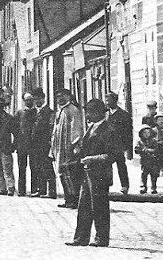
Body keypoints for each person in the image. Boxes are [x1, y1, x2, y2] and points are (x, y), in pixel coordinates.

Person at [65, 98, 122, 248]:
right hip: (87, 174)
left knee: (100, 207)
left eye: (89, 112)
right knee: (83, 206)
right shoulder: (91, 128)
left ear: (97, 113)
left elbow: (112, 155)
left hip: (100, 175)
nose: (87, 116)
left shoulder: (109, 130)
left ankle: (101, 238)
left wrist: (92, 159)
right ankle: (81, 238)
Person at [51, 89, 84, 208]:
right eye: (57, 97)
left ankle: (74, 200)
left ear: (68, 96)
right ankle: (68, 199)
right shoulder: (60, 110)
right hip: (59, 148)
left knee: (70, 174)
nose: (59, 99)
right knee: (62, 174)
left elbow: (77, 129)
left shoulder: (73, 110)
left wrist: (75, 145)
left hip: (68, 148)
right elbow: (55, 130)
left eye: (62, 96)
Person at [30, 88, 56, 199]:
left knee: (48, 168)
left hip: (45, 144)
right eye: (35, 99)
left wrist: (50, 143)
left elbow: (51, 128)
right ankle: (42, 190)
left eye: (38, 99)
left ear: (43, 98)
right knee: (38, 168)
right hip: (36, 145)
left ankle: (51, 191)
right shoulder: (34, 112)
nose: (37, 101)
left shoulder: (49, 112)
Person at [105, 92, 132, 195]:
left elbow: (128, 131)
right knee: (106, 166)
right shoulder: (105, 114)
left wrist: (126, 145)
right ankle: (106, 185)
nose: (107, 102)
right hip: (107, 145)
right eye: (106, 100)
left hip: (118, 145)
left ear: (115, 101)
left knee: (121, 166)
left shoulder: (123, 115)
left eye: (109, 100)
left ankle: (124, 186)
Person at [13, 92, 37, 196]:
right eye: (27, 100)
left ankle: (34, 189)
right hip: (22, 144)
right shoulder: (19, 113)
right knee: (22, 168)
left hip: (33, 145)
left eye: (31, 100)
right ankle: (21, 190)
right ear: (24, 101)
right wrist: (17, 139)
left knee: (34, 168)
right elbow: (14, 127)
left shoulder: (36, 112)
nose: (29, 102)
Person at [134, 125, 160, 194]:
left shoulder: (154, 140)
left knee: (154, 174)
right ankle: (143, 187)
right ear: (141, 134)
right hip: (144, 160)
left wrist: (150, 150)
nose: (146, 134)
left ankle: (153, 187)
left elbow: (157, 149)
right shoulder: (140, 141)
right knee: (144, 174)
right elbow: (136, 150)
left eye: (148, 133)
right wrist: (142, 150)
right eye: (144, 133)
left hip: (153, 160)